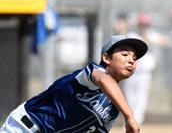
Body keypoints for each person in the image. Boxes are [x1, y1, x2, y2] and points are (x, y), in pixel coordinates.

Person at [1, 34, 148, 133]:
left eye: (134, 58)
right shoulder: (92, 73)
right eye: (124, 54)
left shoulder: (112, 110)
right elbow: (104, 80)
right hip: (24, 127)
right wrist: (129, 116)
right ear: (106, 58)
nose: (131, 60)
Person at [121, 13, 157, 124]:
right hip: (131, 72)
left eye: (146, 25)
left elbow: (165, 40)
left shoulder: (151, 35)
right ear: (138, 25)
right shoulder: (133, 35)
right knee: (129, 97)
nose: (144, 27)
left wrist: (148, 37)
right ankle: (130, 120)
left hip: (145, 73)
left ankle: (137, 121)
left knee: (141, 98)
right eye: (142, 25)